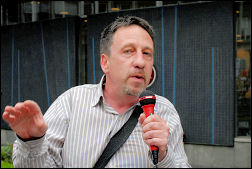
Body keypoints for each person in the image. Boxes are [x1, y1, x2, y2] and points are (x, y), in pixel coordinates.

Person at [2, 16, 191, 168]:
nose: (140, 62)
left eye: (147, 53)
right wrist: (32, 141)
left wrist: (164, 156)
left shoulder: (164, 111)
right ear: (105, 63)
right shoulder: (71, 102)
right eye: (128, 51)